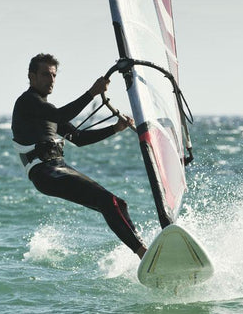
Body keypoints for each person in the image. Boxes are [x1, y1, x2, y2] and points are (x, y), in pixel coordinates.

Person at [12, 53, 147, 259]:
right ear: (31, 76)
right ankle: (143, 253)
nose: (51, 80)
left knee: (117, 204)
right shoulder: (27, 102)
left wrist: (115, 128)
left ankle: (144, 250)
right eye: (45, 74)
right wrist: (92, 93)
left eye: (54, 75)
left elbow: (78, 138)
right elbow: (60, 115)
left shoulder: (46, 110)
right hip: (45, 173)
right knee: (107, 201)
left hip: (58, 168)